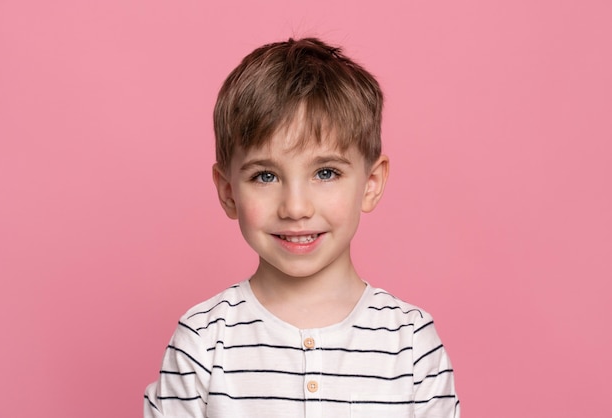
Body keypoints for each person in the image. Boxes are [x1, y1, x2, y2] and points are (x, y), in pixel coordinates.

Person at [144, 37, 460, 418]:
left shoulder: (410, 343)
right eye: (265, 176)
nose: (295, 208)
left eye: (325, 173)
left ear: (371, 184)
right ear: (228, 192)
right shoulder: (203, 342)